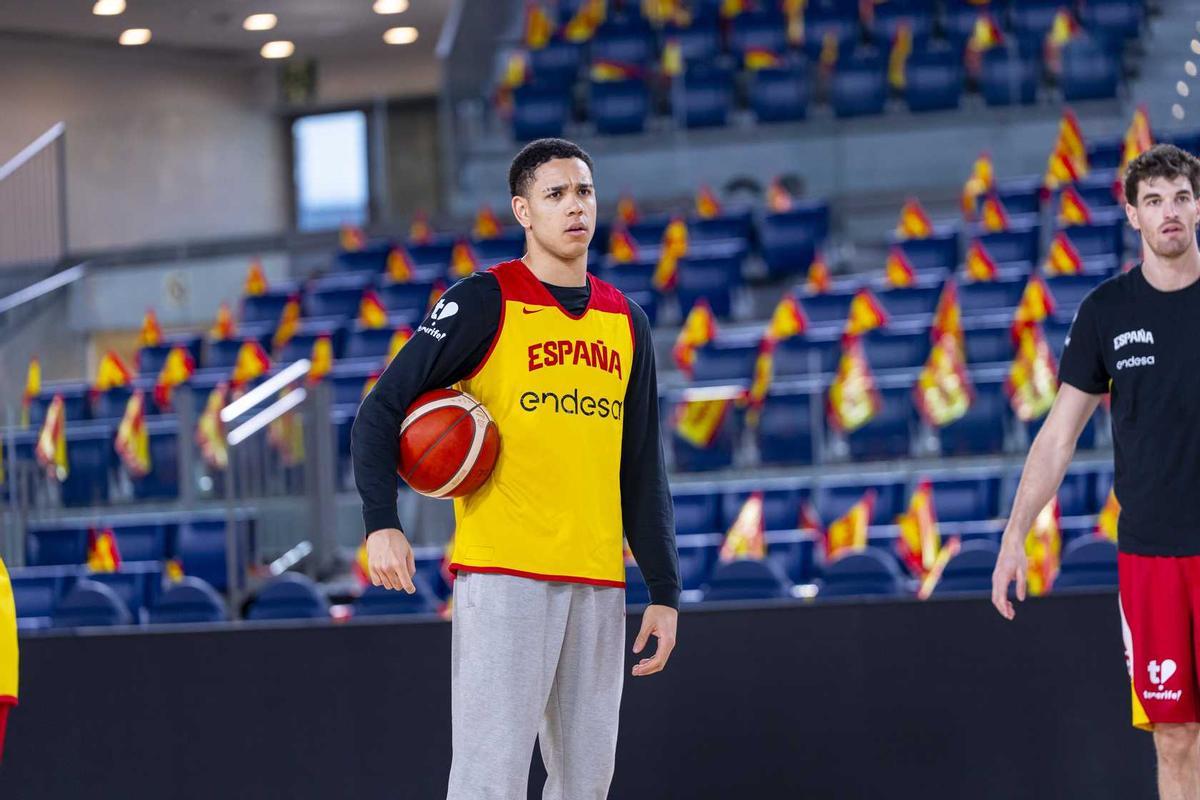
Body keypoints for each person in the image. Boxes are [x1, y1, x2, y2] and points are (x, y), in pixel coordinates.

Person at [351, 137, 680, 800]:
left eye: (583, 191)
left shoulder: (626, 321)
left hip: (597, 578)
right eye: (555, 194)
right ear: (523, 211)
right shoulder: (482, 300)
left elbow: (643, 468)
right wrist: (381, 521)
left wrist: (664, 591)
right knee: (489, 778)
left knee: (587, 782)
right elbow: (380, 408)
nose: (574, 206)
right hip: (505, 576)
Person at [992, 143, 1200, 800]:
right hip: (1153, 557)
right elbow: (1057, 437)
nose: (1170, 212)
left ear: (1199, 206)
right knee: (1175, 735)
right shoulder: (1106, 313)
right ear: (1133, 215)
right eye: (1155, 201)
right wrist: (1013, 536)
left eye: (1182, 197)